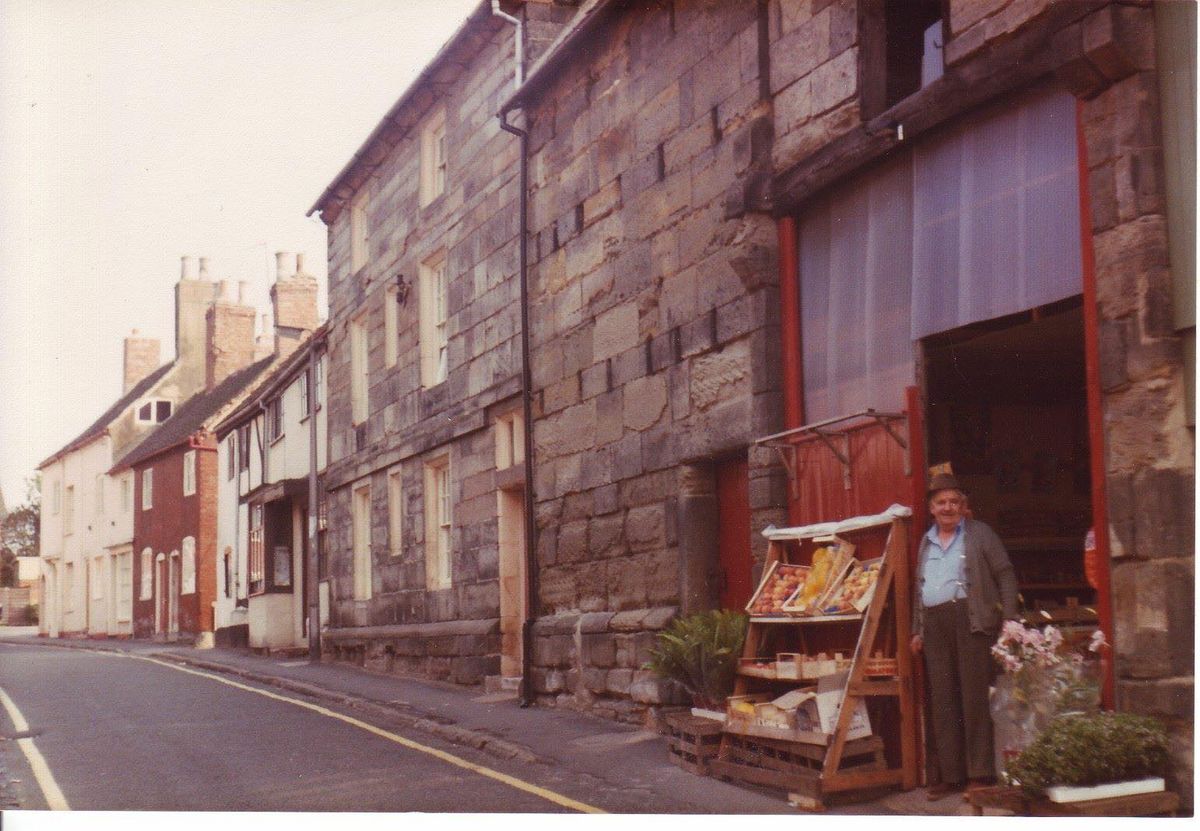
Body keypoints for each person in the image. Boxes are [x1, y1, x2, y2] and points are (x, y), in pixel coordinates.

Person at [910, 472, 1018, 801]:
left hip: (970, 621)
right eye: (941, 502)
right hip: (934, 624)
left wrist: (1010, 621)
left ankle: (980, 774)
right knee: (943, 700)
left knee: (973, 699)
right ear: (931, 507)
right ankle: (950, 776)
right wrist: (917, 629)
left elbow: (1005, 574)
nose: (948, 507)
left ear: (963, 505)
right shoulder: (926, 541)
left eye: (954, 501)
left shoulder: (980, 534)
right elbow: (920, 588)